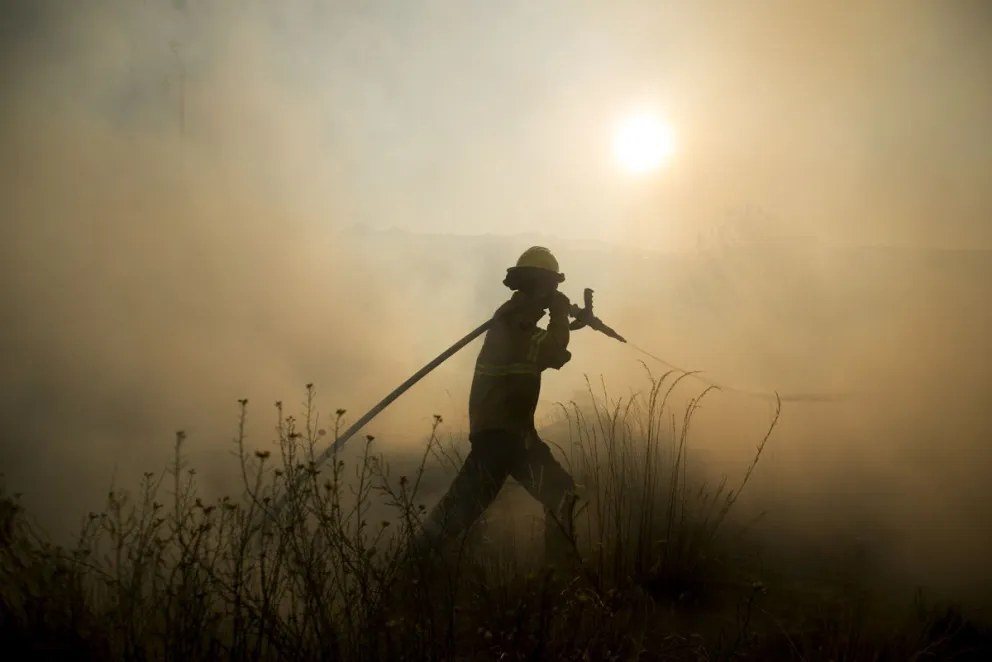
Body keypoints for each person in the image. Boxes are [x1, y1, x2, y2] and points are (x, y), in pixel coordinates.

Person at [409, 246, 582, 563]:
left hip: (515, 435)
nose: (555, 293)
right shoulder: (515, 323)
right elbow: (554, 352)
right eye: (552, 287)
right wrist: (559, 315)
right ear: (538, 285)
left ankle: (559, 577)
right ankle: (405, 574)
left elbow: (544, 353)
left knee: (561, 493)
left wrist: (564, 322)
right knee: (454, 516)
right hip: (500, 439)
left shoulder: (518, 320)